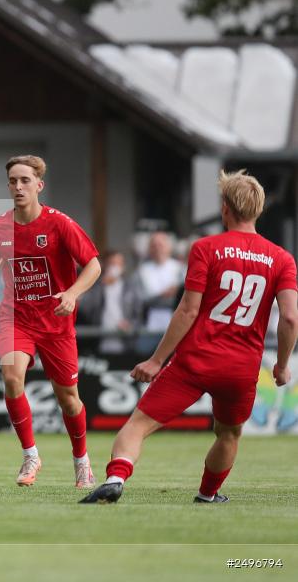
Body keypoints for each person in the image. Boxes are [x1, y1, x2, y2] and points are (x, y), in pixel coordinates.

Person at [81, 170, 298, 504]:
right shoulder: (282, 259)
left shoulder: (206, 248)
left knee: (138, 424)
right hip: (241, 369)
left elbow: (187, 311)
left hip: (196, 361)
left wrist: (157, 360)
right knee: (229, 434)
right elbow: (289, 317)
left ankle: (116, 478)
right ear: (259, 209)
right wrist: (282, 365)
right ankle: (208, 494)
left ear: (225, 208)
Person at [0, 155, 102, 488]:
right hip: (16, 318)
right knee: (11, 376)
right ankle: (31, 455)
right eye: (13, 181)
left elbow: (93, 265)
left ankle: (82, 462)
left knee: (68, 399)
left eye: (25, 181)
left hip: (57, 325)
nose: (18, 187)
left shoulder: (60, 224)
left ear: (39, 185)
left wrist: (73, 293)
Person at [78, 250, 142, 354]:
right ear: (105, 265)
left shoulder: (130, 288)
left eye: (118, 264)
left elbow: (139, 315)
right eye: (112, 263)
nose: (115, 267)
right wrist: (101, 285)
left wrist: (130, 325)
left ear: (123, 266)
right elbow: (85, 307)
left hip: (124, 342)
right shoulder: (96, 285)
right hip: (99, 340)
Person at [136, 232, 184, 353]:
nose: (157, 248)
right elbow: (141, 298)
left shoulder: (180, 268)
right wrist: (164, 294)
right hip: (150, 324)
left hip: (174, 322)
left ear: (169, 247)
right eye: (154, 245)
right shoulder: (142, 270)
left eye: (160, 244)